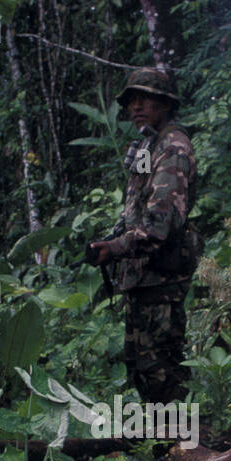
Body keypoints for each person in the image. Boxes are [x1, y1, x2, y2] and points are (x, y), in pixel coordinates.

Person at [88, 67, 200, 404]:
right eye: (131, 100)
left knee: (162, 368)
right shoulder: (147, 144)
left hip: (161, 278)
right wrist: (111, 240)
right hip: (143, 277)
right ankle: (161, 446)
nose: (136, 106)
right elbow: (134, 209)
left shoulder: (173, 147)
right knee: (140, 365)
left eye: (146, 98)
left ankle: (181, 445)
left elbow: (159, 227)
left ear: (165, 103)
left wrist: (114, 248)